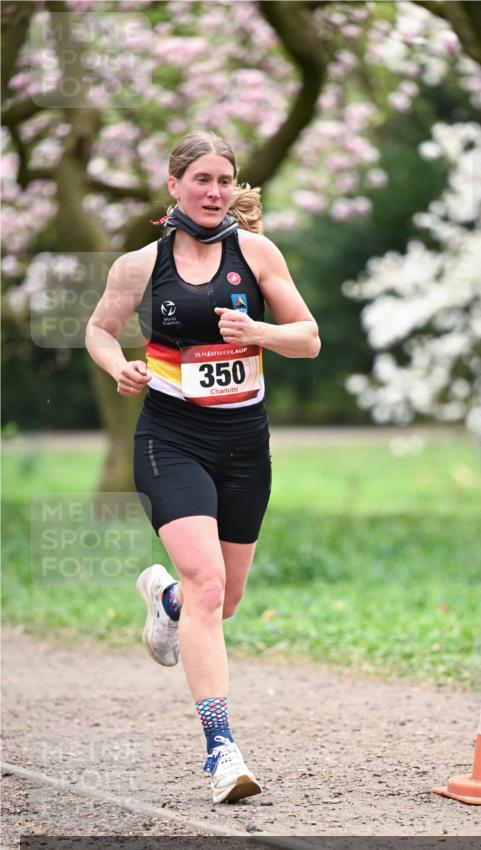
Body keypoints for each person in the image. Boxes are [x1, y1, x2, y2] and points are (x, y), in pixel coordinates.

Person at [86, 132, 320, 804]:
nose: (215, 192)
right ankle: (222, 750)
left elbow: (308, 338)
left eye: (224, 181)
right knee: (208, 586)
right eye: (202, 180)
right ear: (175, 184)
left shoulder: (257, 253)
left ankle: (167, 603)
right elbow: (100, 329)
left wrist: (259, 333)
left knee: (224, 599)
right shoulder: (140, 265)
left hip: (244, 444)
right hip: (170, 439)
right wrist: (119, 365)